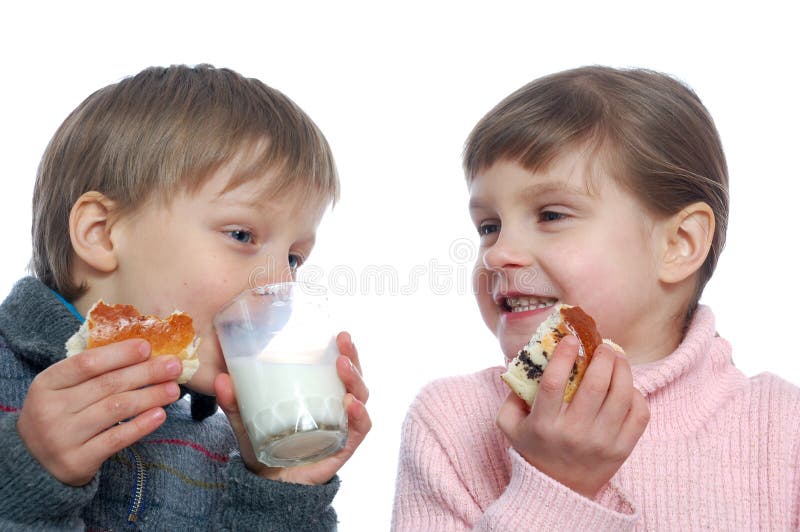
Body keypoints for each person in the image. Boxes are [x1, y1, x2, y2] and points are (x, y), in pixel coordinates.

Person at [392, 66, 800, 530]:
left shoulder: (785, 430)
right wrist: (554, 489)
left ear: (679, 244)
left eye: (550, 215)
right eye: (489, 227)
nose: (498, 254)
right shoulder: (448, 425)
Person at [0, 64, 371, 531]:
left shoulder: (230, 448)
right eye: (241, 235)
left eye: (294, 259)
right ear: (102, 234)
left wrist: (278, 495)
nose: (280, 284)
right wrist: (28, 474)